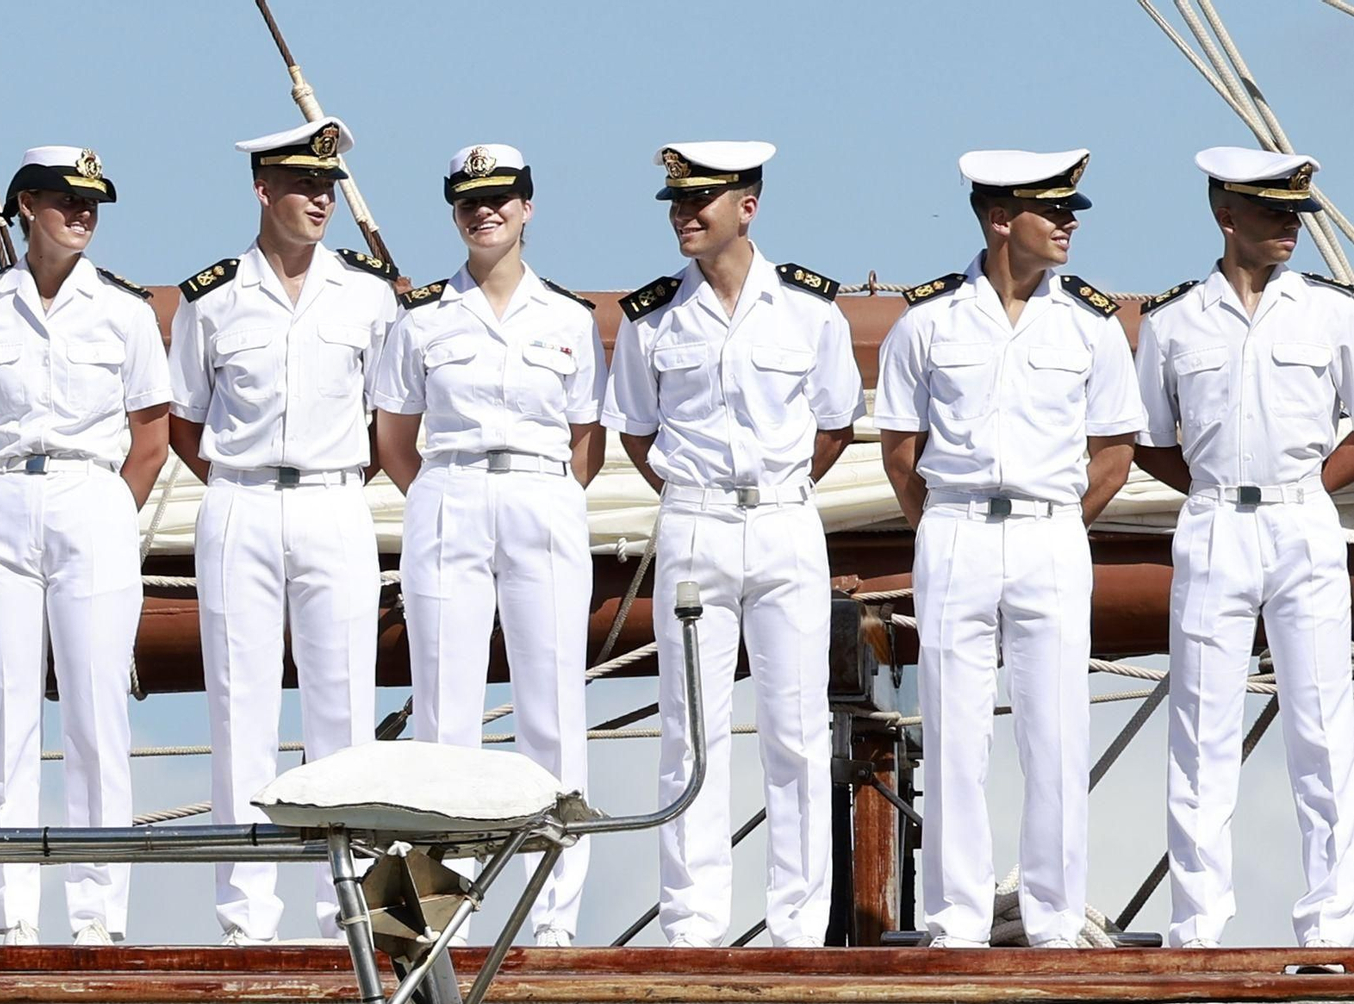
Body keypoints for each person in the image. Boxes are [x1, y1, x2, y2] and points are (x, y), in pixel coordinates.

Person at [876, 149, 1144, 949]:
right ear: (1000, 219)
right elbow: (899, 447)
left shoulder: (1091, 325)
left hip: (1050, 531)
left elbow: (1115, 453)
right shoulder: (926, 322)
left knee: (1056, 730)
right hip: (954, 526)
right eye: (1051, 211)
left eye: (1069, 211)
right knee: (956, 731)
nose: (1068, 222)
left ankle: (1055, 920)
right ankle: (955, 923)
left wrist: (1058, 522)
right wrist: (941, 523)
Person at [601, 141, 863, 948]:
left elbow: (835, 424)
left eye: (700, 202)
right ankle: (692, 924)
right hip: (694, 523)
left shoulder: (812, 311)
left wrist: (772, 490)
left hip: (784, 521)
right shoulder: (651, 319)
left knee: (795, 731)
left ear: (746, 208)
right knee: (691, 732)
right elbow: (640, 434)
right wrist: (702, 495)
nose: (684, 215)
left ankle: (799, 927)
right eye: (677, 203)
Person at [168, 117, 399, 945]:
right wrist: (248, 480)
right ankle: (246, 917)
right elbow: (186, 424)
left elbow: (388, 419)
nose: (320, 200)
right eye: (304, 185)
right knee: (240, 708)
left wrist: (328, 479)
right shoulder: (212, 299)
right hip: (240, 500)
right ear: (262, 189)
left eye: (329, 186)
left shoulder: (368, 295)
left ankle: (347, 915)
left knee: (345, 707)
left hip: (336, 499)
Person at [371, 144, 605, 947]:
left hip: (543, 492)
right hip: (450, 491)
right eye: (469, 198)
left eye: (502, 196)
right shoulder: (424, 320)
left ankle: (553, 917)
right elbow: (395, 438)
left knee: (553, 706)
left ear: (528, 208)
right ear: (454, 211)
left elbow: (585, 439)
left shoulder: (569, 319)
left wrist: (535, 495)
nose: (486, 210)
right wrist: (447, 497)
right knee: (444, 705)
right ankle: (445, 912)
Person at [0, 146, 171, 946]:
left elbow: (151, 436)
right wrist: (14, 487)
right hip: (6, 495)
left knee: (96, 710)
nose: (82, 213)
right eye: (65, 200)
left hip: (93, 495)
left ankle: (98, 915)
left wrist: (107, 507)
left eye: (92, 202)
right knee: (4, 712)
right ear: (25, 206)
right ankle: (10, 919)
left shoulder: (125, 311)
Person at [1135, 147, 1354, 951]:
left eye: (1295, 214)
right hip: (1215, 518)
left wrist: (1314, 483)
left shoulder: (1335, 315)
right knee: (1200, 725)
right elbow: (1149, 438)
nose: (1290, 229)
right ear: (1227, 216)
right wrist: (1210, 483)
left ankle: (1333, 923)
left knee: (1325, 726)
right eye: (1273, 214)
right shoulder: (1173, 322)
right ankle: (1196, 926)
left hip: (1302, 519)